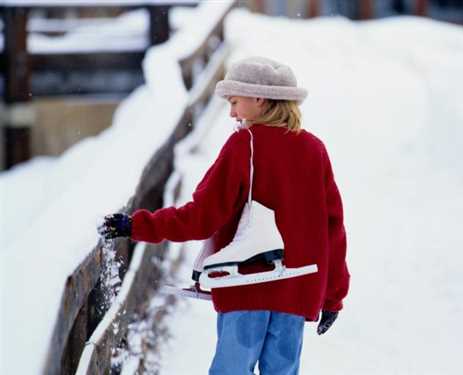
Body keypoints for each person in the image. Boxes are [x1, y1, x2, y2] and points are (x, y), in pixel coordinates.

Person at [99, 56, 350, 375]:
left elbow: (202, 216)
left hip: (248, 284)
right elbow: (334, 229)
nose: (231, 112)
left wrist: (137, 225)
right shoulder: (315, 149)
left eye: (234, 102)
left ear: (259, 99)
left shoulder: (244, 145)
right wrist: (333, 296)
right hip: (296, 292)